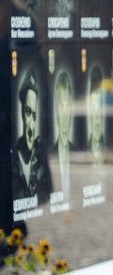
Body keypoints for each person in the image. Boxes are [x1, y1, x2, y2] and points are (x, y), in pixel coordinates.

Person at [14, 71, 51, 203]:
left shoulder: (40, 157)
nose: (31, 125)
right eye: (28, 112)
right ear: (21, 112)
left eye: (34, 116)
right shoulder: (12, 159)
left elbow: (47, 196)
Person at [52, 69, 74, 197]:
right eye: (61, 106)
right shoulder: (51, 153)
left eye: (68, 106)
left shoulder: (77, 151)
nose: (65, 114)